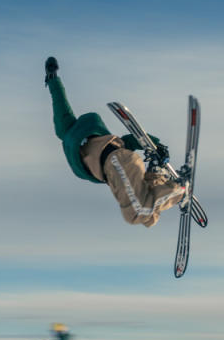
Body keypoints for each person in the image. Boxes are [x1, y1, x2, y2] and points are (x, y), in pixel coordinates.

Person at [44, 56, 186, 227]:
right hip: (119, 166)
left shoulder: (72, 137)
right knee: (148, 217)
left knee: (136, 212)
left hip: (116, 163)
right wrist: (155, 145)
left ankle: (180, 189)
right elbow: (130, 141)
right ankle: (156, 175)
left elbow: (61, 108)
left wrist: (53, 80)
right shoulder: (100, 139)